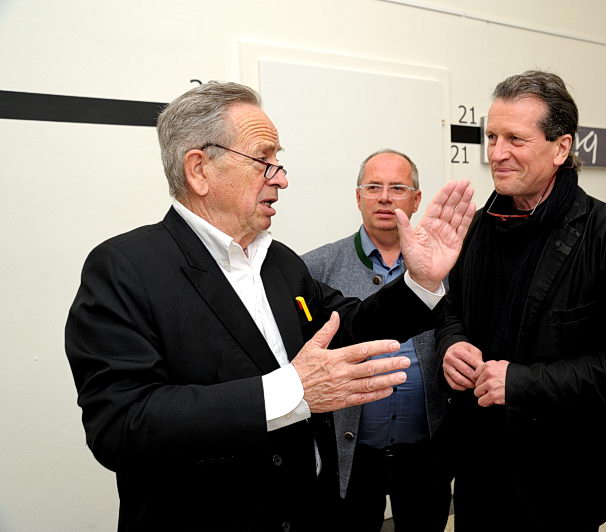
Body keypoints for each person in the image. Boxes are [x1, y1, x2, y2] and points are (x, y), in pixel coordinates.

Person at [64, 81, 474, 532]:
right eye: (264, 161)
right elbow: (121, 425)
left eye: (278, 162)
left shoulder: (279, 261)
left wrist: (421, 282)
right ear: (199, 170)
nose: (281, 178)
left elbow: (349, 327)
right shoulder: (125, 268)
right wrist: (290, 390)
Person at [438, 70, 606, 530]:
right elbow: (452, 310)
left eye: (515, 139)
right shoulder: (477, 227)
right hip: (479, 473)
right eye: (492, 137)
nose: (497, 153)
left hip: (565, 481)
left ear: (561, 148)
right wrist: (452, 344)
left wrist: (523, 383)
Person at [302, 149, 453, 532]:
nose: (385, 197)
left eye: (397, 188)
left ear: (416, 199)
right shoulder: (316, 267)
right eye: (373, 187)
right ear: (358, 197)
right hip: (350, 456)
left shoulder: (447, 267)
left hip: (425, 453)